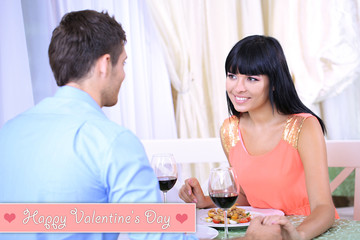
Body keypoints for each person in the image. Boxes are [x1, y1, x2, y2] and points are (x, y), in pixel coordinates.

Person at [0, 11, 282, 240]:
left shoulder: (8, 133)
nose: (123, 75)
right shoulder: (111, 141)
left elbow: (57, 217)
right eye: (123, 63)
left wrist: (186, 215)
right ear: (104, 65)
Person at [179, 35, 337, 240]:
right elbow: (247, 197)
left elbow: (324, 208)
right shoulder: (230, 130)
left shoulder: (303, 126)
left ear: (274, 83)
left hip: (307, 230)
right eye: (232, 76)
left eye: (252, 79)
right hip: (261, 233)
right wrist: (206, 201)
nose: (238, 87)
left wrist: (296, 235)